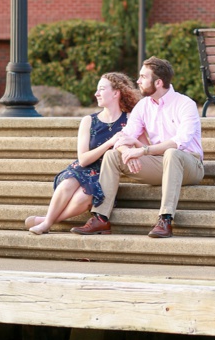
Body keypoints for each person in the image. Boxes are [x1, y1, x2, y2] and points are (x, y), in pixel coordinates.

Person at [71, 56, 204, 239]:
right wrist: (127, 153)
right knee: (112, 156)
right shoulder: (143, 106)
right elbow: (123, 137)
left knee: (173, 153)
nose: (138, 81)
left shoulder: (185, 104)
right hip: (159, 163)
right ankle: (100, 217)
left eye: (143, 77)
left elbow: (179, 141)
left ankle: (165, 219)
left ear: (158, 82)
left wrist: (143, 151)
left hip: (190, 165)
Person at [24, 72, 140, 234]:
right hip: (83, 168)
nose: (96, 93)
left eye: (101, 89)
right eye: (97, 90)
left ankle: (45, 220)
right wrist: (110, 142)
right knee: (68, 183)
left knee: (83, 198)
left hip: (104, 174)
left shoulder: (130, 120)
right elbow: (83, 160)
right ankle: (46, 224)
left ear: (116, 93)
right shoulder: (89, 121)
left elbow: (138, 145)